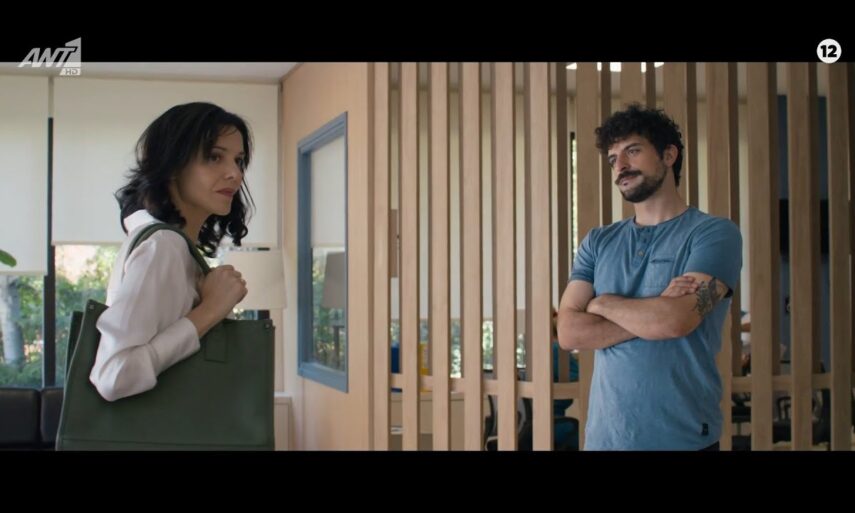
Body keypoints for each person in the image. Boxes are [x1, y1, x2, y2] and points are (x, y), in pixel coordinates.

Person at [557, 103, 742, 450]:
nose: (620, 166)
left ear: (669, 155)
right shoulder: (598, 241)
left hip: (684, 438)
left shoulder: (714, 234)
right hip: (606, 440)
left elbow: (675, 321)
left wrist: (602, 303)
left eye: (632, 151)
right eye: (613, 159)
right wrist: (655, 312)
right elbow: (568, 333)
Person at [89, 102, 253, 401]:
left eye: (238, 160)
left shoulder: (173, 246)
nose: (235, 174)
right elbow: (114, 375)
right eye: (214, 157)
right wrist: (210, 310)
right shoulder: (163, 246)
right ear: (173, 165)